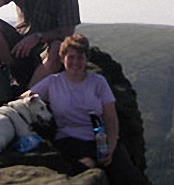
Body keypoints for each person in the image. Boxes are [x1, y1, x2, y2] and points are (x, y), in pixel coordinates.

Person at [28, 33, 119, 170]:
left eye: (80, 58)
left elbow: (111, 118)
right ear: (62, 58)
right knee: (83, 165)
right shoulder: (53, 82)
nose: (75, 63)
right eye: (70, 57)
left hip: (98, 140)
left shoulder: (98, 82)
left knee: (126, 177)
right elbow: (26, 99)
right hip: (67, 139)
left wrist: (110, 148)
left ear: (86, 59)